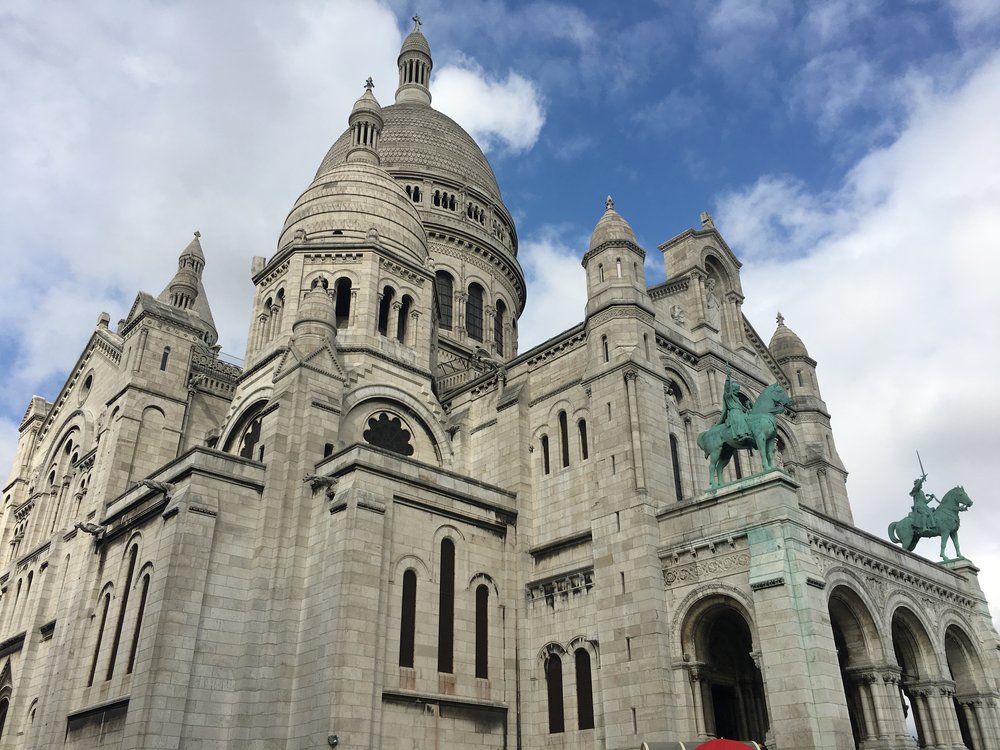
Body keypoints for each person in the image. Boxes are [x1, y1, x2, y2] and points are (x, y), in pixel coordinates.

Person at [717, 371, 751, 442]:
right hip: (734, 413)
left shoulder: (737, 399)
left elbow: (742, 408)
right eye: (735, 390)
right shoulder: (728, 397)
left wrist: (748, 410)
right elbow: (726, 389)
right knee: (739, 418)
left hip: (740, 412)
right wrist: (728, 378)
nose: (737, 391)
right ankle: (741, 435)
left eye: (737, 390)